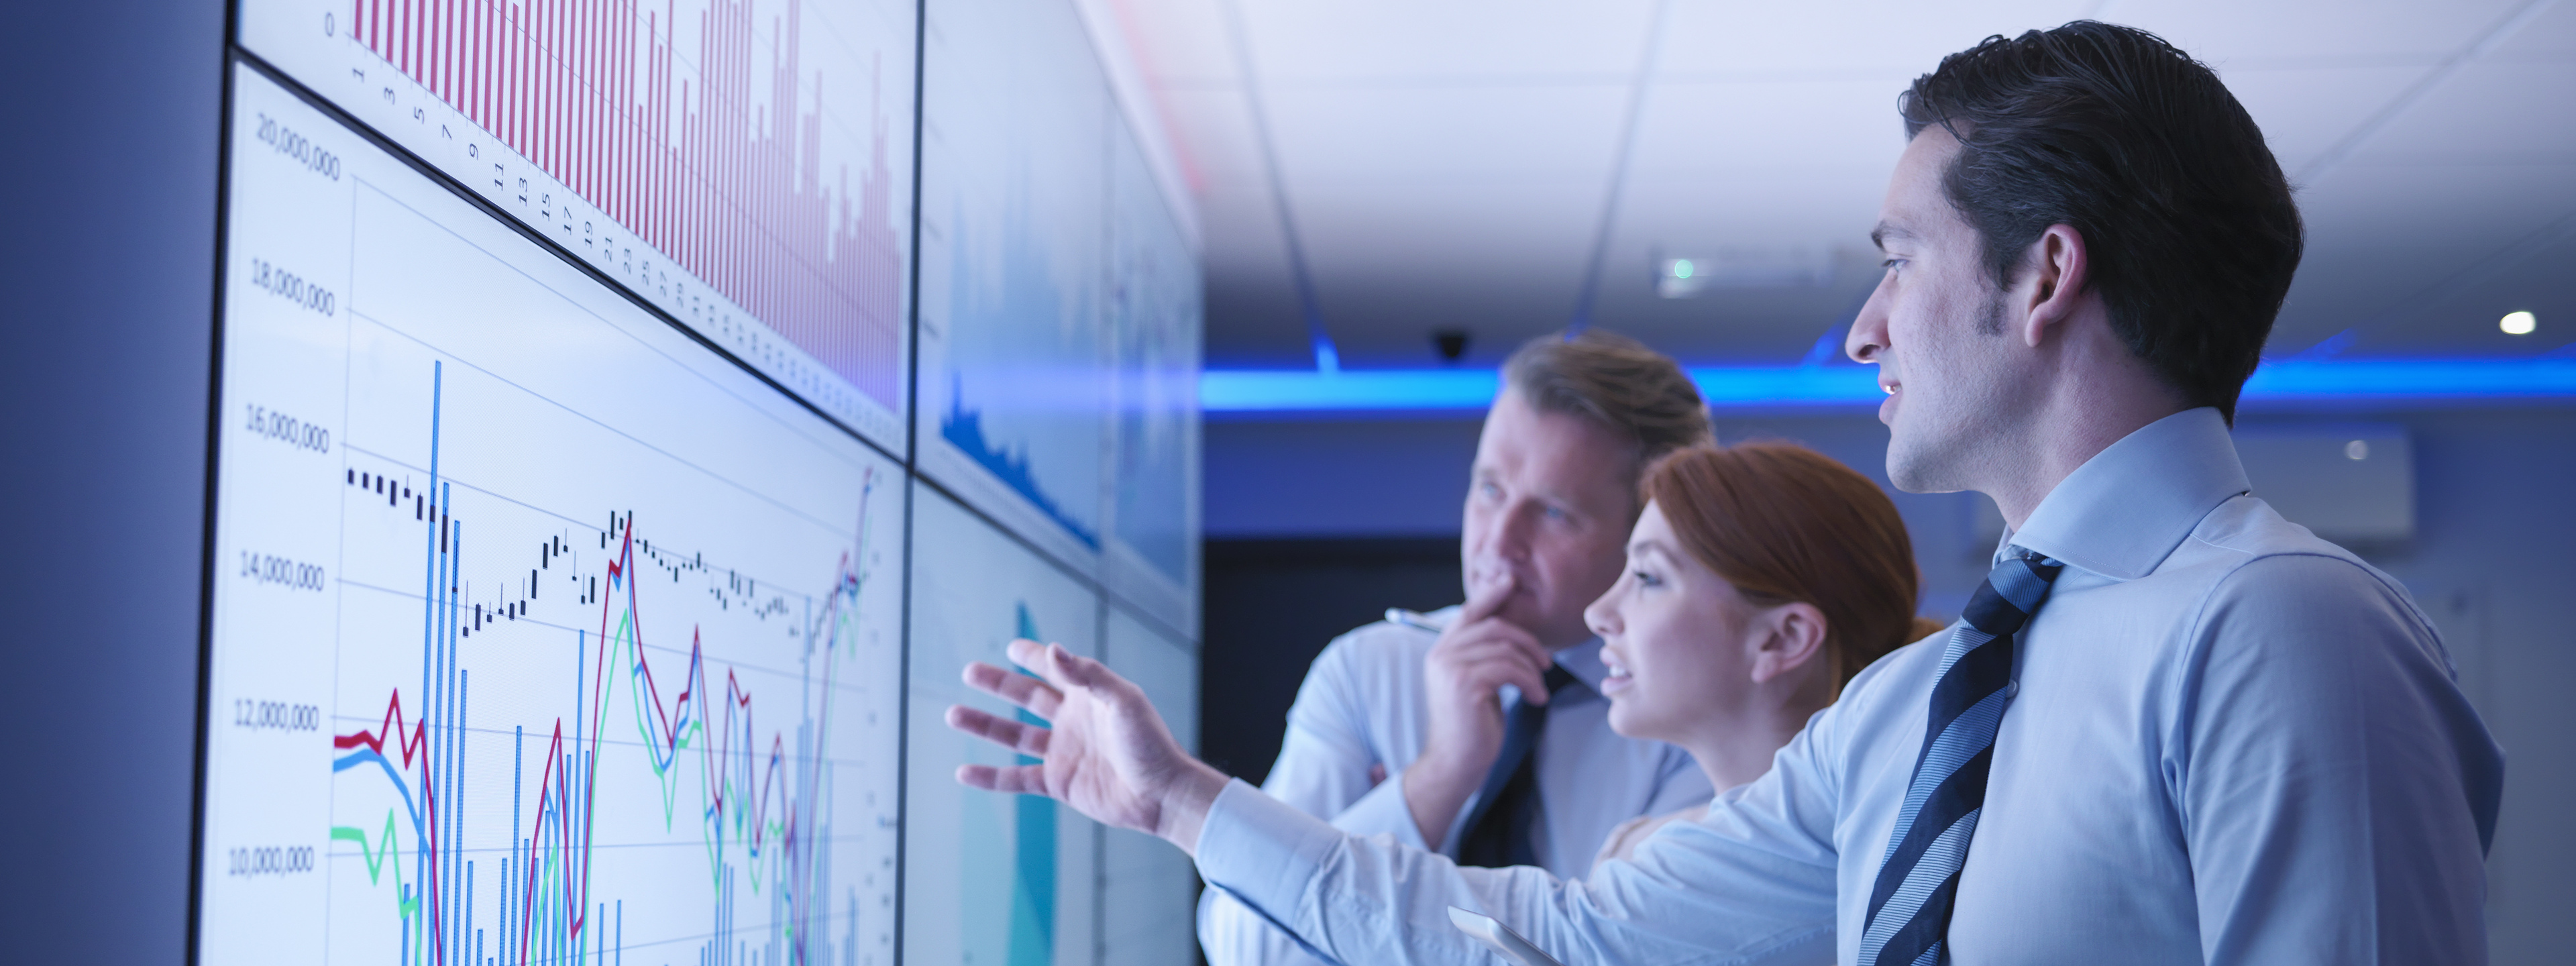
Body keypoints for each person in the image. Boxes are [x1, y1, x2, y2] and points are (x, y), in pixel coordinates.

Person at [948, 21, 2504, 966]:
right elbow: (1552, 937)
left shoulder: (2281, 632)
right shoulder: (1917, 708)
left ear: (2042, 275)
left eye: (1896, 259)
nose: (1862, 326)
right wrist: (1172, 798)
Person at [1198, 329, 1720, 966]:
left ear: (1647, 531)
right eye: (1490, 490)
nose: (1498, 543)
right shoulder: (1367, 673)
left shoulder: (1694, 713)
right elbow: (1244, 946)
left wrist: (1360, 854)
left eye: (1553, 512)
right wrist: (1439, 777)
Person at [1580, 443, 1944, 870]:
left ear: (1782, 639)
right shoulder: (1645, 849)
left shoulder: (1867, 870)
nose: (1597, 614)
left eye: (1648, 577)